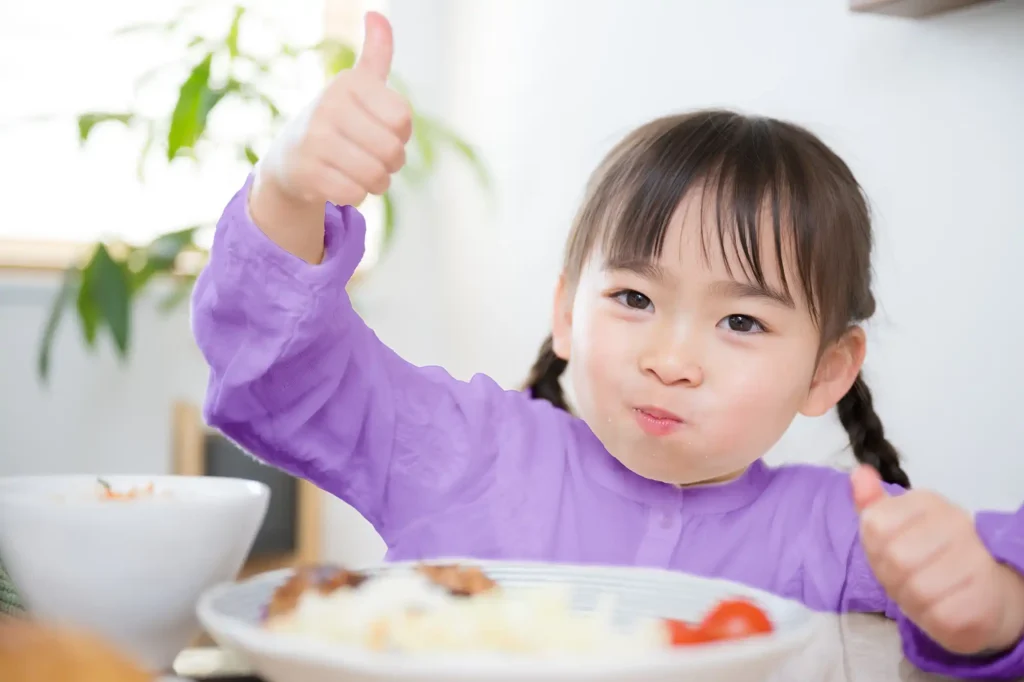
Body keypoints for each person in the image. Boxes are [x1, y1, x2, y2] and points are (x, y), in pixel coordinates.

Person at [191, 11, 1024, 679]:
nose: (670, 358)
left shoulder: (838, 530)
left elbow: (993, 583)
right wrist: (289, 189)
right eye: (633, 298)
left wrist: (990, 610)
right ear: (565, 311)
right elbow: (286, 367)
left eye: (741, 322)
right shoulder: (461, 449)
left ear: (829, 370)